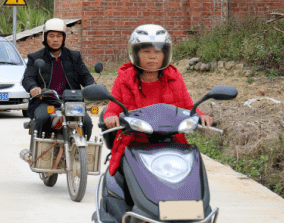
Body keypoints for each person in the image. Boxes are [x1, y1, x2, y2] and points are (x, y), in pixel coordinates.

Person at [102, 24, 212, 177]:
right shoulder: (123, 80)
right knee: (124, 182)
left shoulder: (174, 78)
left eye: (158, 51)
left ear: (165, 54)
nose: (152, 56)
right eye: (146, 51)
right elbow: (113, 108)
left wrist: (200, 115)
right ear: (135, 53)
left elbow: (187, 106)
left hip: (171, 142)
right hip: (134, 142)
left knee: (190, 176)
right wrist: (111, 117)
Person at [21, 18, 96, 140]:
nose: (55, 40)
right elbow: (28, 78)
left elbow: (86, 76)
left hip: (72, 103)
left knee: (86, 122)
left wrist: (93, 86)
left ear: (63, 38)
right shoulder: (35, 57)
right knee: (40, 119)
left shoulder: (74, 57)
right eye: (51, 36)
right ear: (45, 37)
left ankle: (81, 154)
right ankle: (39, 154)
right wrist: (33, 88)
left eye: (58, 36)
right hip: (46, 101)